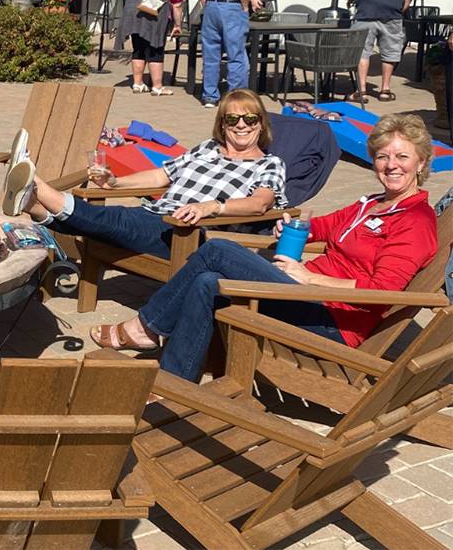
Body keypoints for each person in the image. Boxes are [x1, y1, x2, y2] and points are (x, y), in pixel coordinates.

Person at [91, 113, 437, 383]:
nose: (391, 165)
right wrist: (290, 224)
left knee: (218, 250)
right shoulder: (372, 203)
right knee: (206, 281)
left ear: (421, 163)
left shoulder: (415, 221)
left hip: (331, 321)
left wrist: (311, 280)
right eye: (382, 156)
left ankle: (145, 328)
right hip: (303, 296)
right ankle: (174, 381)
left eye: (402, 157)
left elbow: (385, 290)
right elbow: (323, 227)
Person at [1, 88, 286, 260]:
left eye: (250, 118)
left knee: (111, 219)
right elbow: (161, 176)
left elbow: (259, 203)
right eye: (232, 119)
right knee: (99, 223)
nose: (241, 125)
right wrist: (114, 182)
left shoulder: (269, 164)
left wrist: (212, 206)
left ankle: (34, 182)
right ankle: (32, 203)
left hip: (187, 233)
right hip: (158, 215)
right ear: (222, 125)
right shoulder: (208, 148)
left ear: (261, 124)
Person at [346, 0, 413, 103]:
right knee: (390, 52)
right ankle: (385, 90)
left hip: (366, 12)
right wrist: (401, 9)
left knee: (362, 52)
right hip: (391, 13)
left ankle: (361, 92)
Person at [194, 0, 255, 108]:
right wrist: (244, 7)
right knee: (236, 54)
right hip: (232, 6)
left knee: (211, 54)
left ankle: (210, 97)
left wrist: (209, 2)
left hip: (212, 6)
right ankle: (236, 98)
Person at [117, 0, 186, 96]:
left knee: (138, 48)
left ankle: (137, 84)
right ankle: (157, 86)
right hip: (155, 9)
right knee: (155, 48)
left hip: (133, 8)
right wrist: (178, 25)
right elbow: (177, 4)